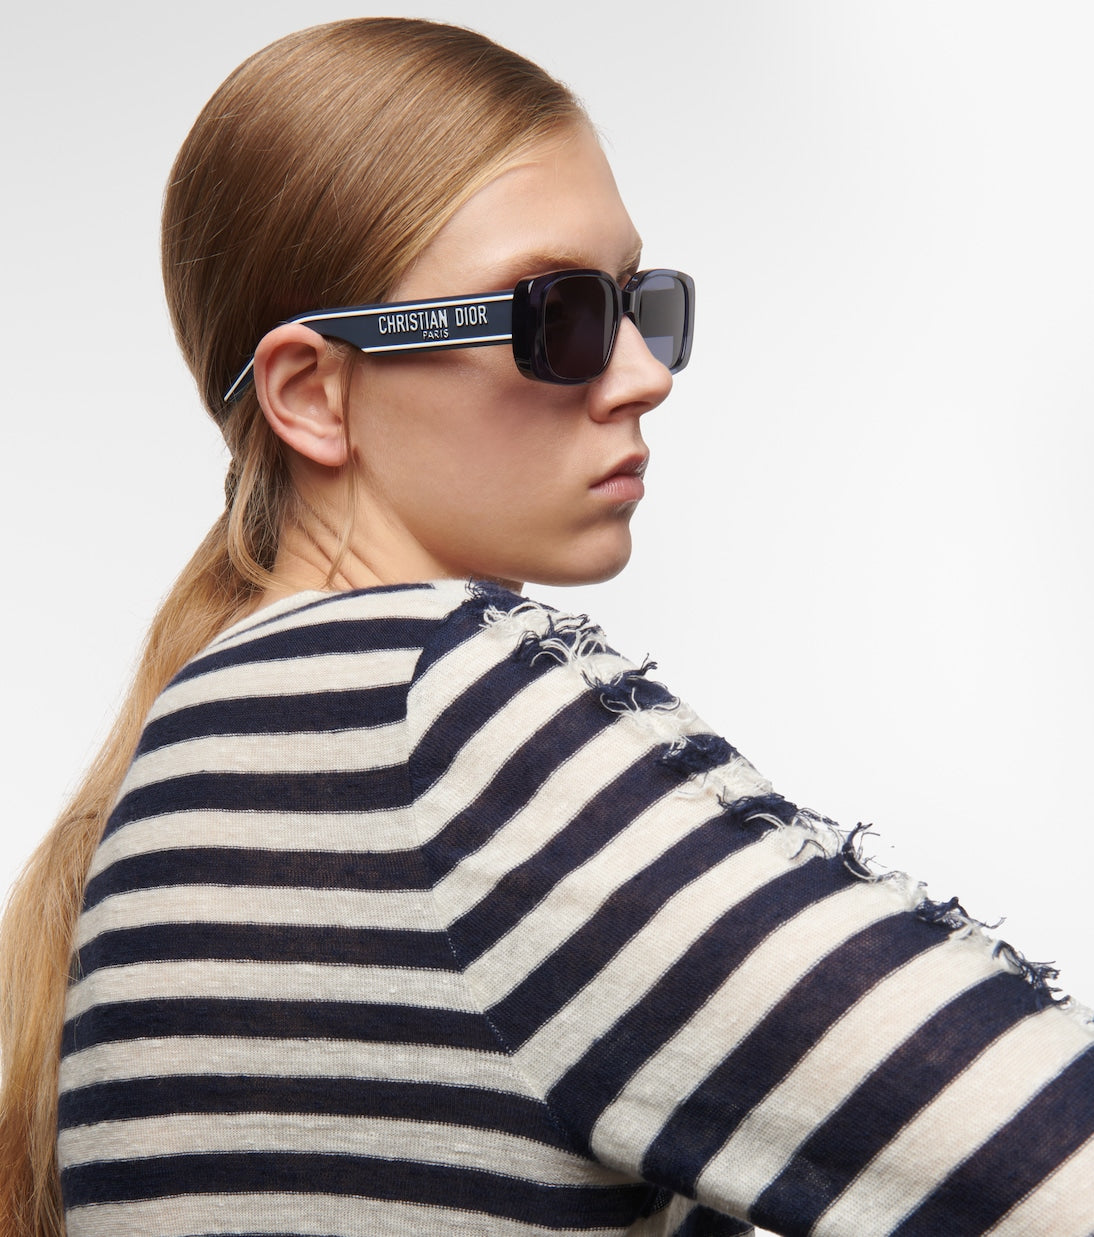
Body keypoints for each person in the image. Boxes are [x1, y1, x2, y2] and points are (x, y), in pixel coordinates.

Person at [1, 17, 1091, 1237]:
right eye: (557, 314)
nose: (642, 374)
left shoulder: (178, 766)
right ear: (312, 392)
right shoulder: (437, 713)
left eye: (637, 303)